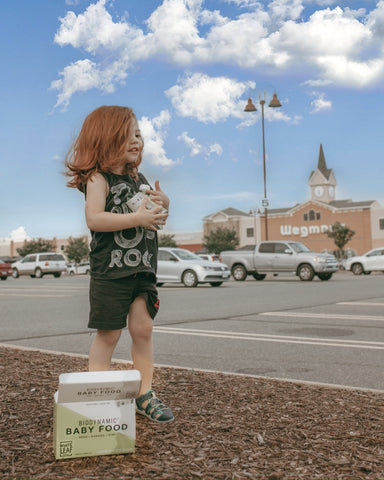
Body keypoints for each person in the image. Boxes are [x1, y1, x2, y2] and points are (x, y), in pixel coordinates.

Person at [65, 105, 174, 423]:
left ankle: (144, 394)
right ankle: (99, 397)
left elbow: (152, 218)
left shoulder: (137, 178)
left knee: (143, 328)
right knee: (109, 334)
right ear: (105, 139)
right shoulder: (98, 178)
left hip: (142, 268)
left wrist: (161, 205)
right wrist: (138, 216)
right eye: (127, 135)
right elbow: (95, 218)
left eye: (138, 134)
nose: (136, 140)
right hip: (110, 272)